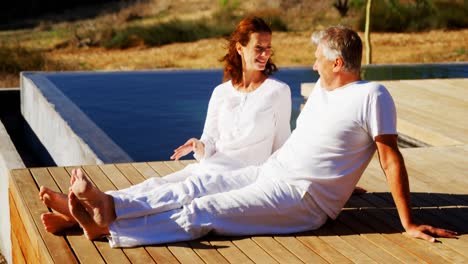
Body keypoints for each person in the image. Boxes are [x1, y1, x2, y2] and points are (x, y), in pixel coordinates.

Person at [53, 25, 459, 247]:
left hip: (302, 198)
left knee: (205, 209)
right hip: (271, 171)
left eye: (319, 58)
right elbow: (322, 144)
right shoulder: (324, 90)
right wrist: (348, 184)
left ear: (337, 62)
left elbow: (390, 157)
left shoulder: (372, 95)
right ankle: (108, 206)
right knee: (192, 186)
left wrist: (406, 222)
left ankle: (111, 227)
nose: (312, 64)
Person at [39, 16, 292, 233]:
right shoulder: (221, 92)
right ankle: (79, 214)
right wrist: (199, 145)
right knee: (157, 185)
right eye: (259, 48)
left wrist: (269, 188)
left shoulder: (277, 92)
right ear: (240, 48)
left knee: (187, 191)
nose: (265, 54)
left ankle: (94, 208)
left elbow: (282, 147)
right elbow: (210, 141)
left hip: (246, 175)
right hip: (213, 167)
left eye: (268, 49)